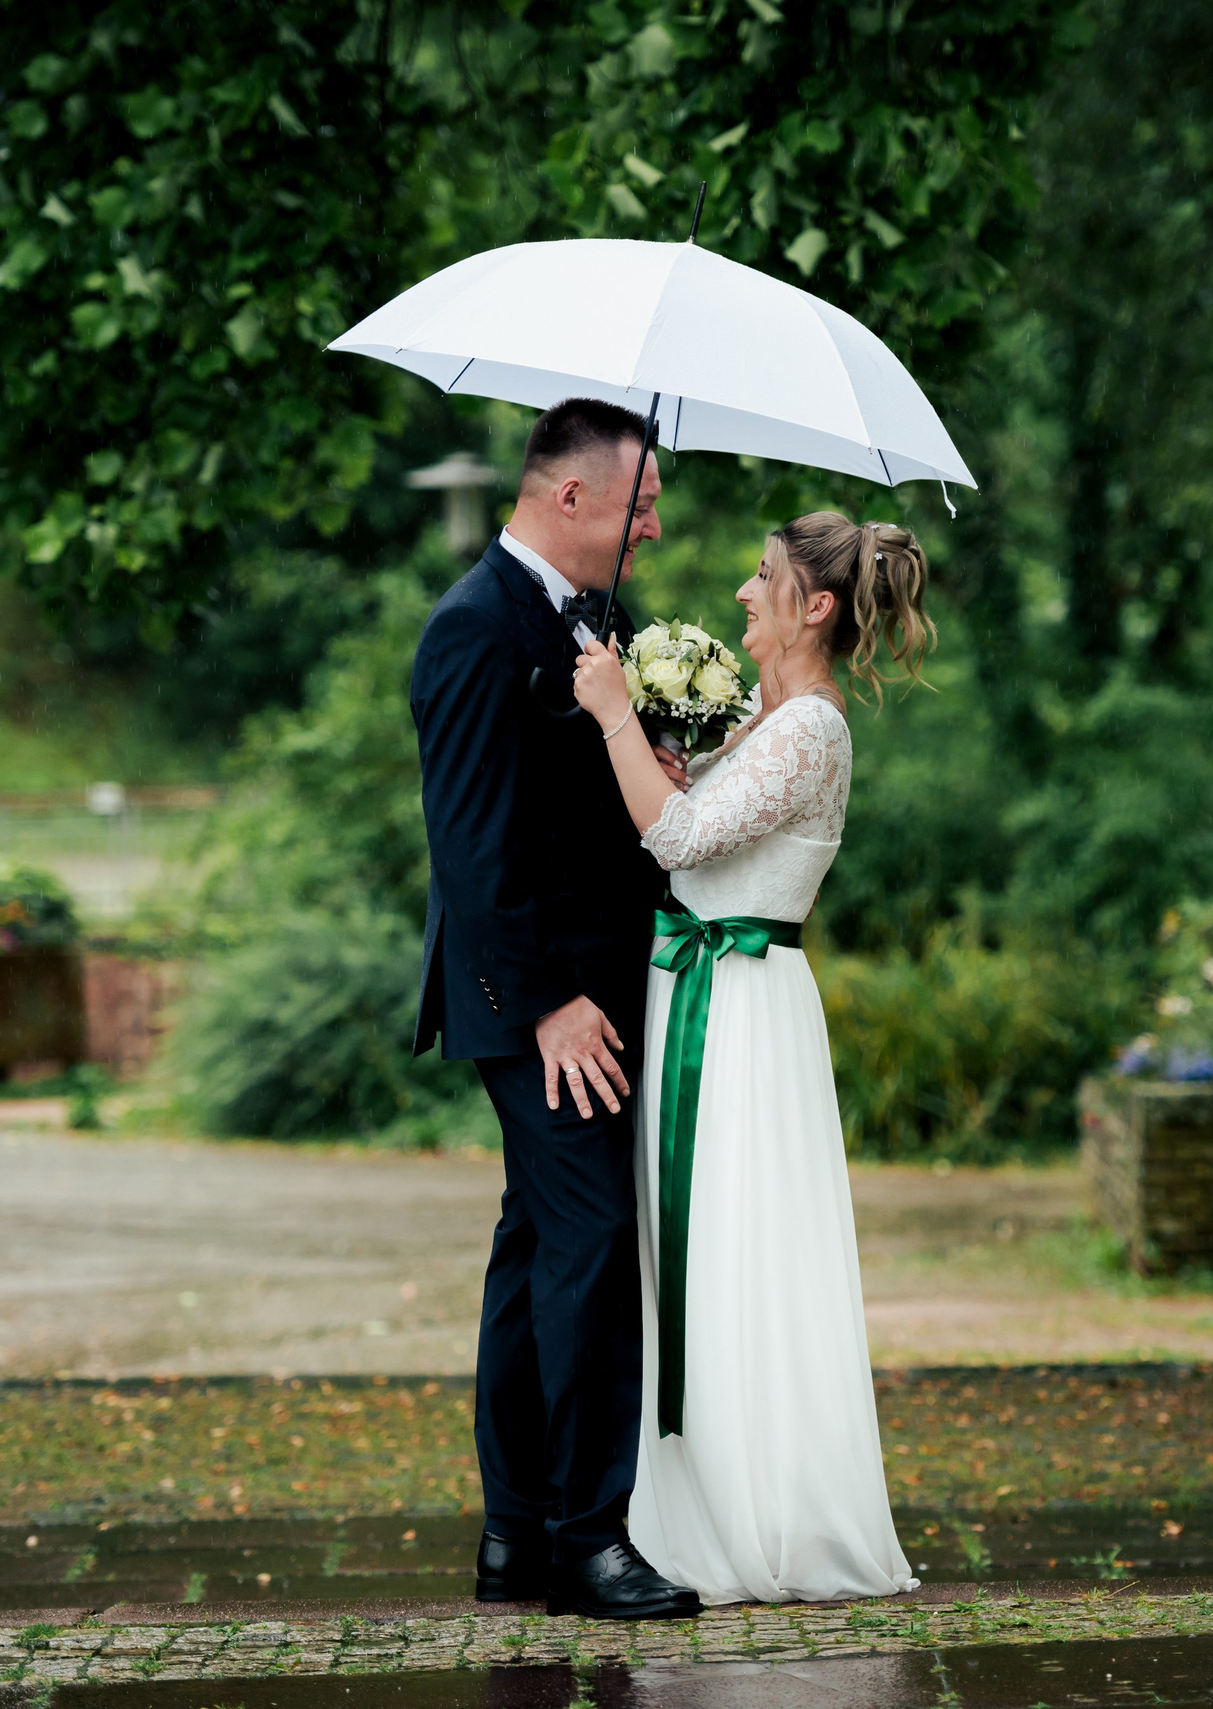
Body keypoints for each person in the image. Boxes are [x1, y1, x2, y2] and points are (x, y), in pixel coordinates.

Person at [568, 510, 933, 1604]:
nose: (741, 590)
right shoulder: (759, 720)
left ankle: (757, 1516)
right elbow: (699, 820)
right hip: (695, 994)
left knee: (737, 1252)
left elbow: (675, 843)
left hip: (743, 1013)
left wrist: (612, 717)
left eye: (763, 575)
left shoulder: (812, 728)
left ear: (814, 606)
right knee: (690, 1255)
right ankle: (680, 1500)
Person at [408, 397, 703, 1621]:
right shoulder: (474, 628)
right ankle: (592, 1537)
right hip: (541, 1004)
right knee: (588, 1250)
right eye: (637, 505)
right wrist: (546, 1009)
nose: (649, 528)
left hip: (603, 989)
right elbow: (470, 847)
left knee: (537, 1251)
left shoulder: (605, 622)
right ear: (569, 497)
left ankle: (515, 1534)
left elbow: (595, 810)